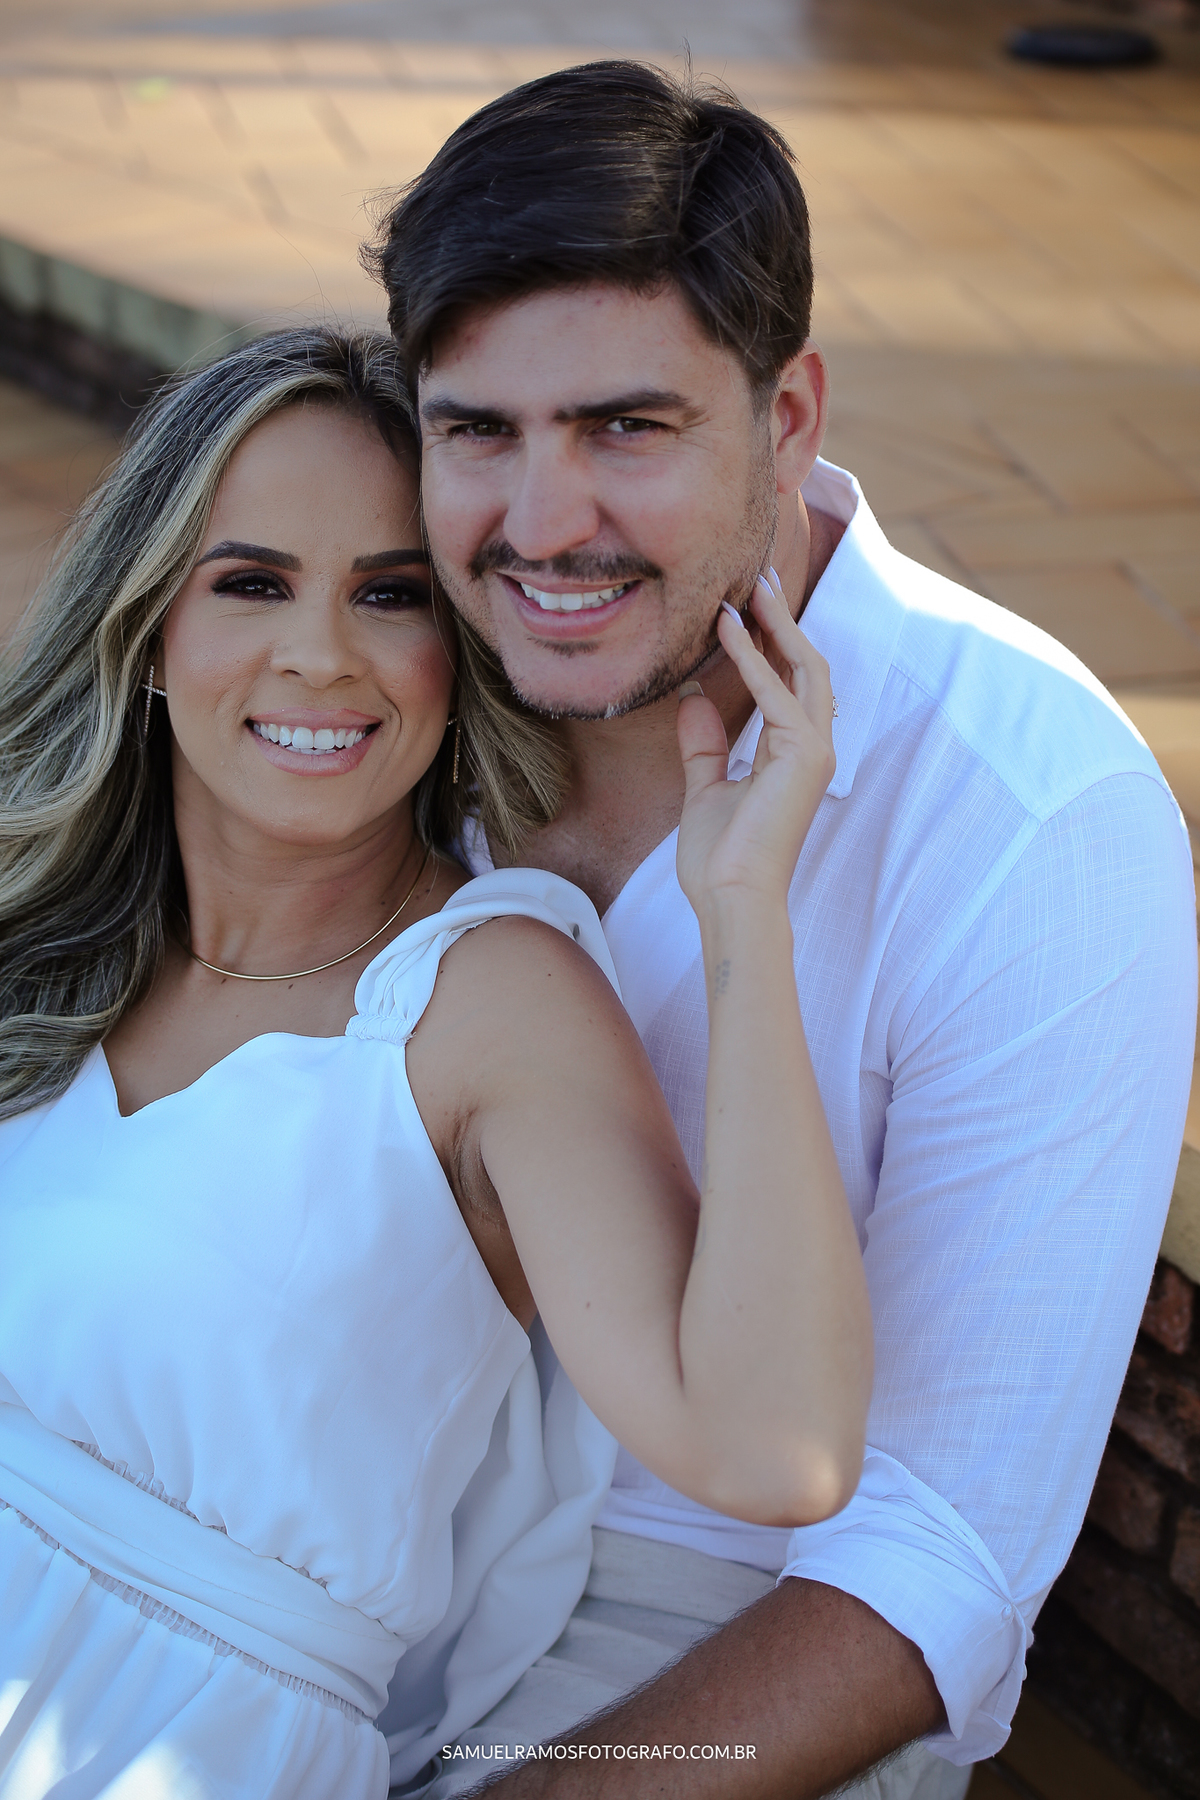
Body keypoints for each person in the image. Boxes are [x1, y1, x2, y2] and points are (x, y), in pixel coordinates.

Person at [366, 60, 1199, 1800]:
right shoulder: (379, 679)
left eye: (628, 427)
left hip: (706, 1629)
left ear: (789, 412)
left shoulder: (1030, 809)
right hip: (339, 1528)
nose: (542, 529)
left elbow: (938, 1559)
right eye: (479, 431)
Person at [0, 327, 872, 1798]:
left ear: (459, 653)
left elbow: (772, 1449)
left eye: (390, 594)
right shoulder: (53, 941)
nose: (320, 655)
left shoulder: (486, 1000)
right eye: (252, 582)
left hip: (162, 1746)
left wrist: (742, 913)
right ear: (148, 627)